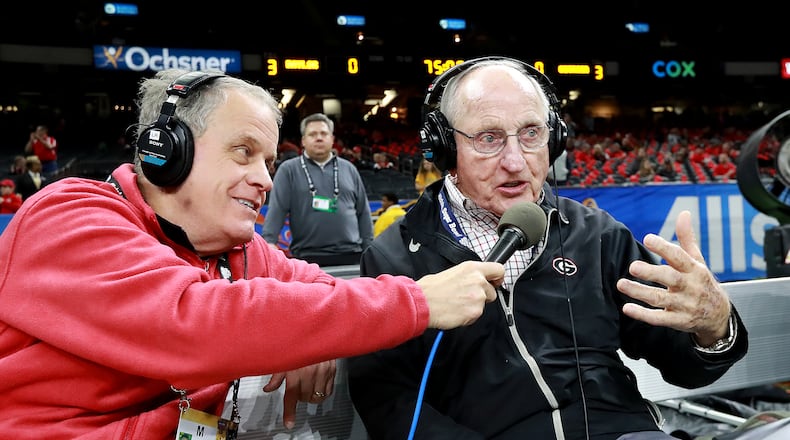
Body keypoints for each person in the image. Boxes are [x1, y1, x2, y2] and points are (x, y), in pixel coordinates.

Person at [0, 69, 507, 438]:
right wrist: (414, 303)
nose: (265, 179)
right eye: (244, 152)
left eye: (269, 160)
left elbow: (322, 292)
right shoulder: (68, 215)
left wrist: (312, 339)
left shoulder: (238, 252)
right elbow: (198, 322)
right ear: (167, 150)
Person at [347, 56, 748, 440]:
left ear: (554, 139)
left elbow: (684, 365)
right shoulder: (393, 257)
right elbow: (389, 402)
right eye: (489, 138)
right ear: (444, 148)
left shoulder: (597, 235)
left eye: (531, 134)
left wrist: (713, 325)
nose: (516, 161)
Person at [261, 112, 374, 267]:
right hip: (307, 257)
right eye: (312, 134)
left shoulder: (349, 168)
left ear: (332, 139)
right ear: (303, 141)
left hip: (351, 254)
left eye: (323, 133)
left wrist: (369, 248)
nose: (319, 138)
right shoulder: (289, 170)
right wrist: (269, 242)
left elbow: (363, 212)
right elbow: (277, 209)